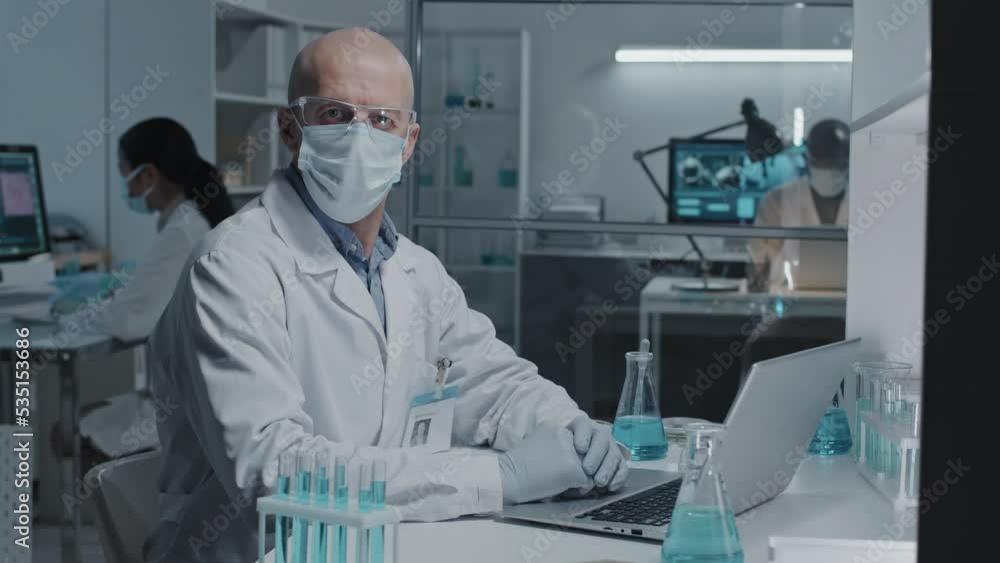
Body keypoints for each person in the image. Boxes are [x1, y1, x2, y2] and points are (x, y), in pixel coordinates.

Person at [145, 28, 628, 563]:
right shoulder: (231, 268)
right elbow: (275, 469)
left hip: (388, 543)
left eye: (381, 120)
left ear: (409, 142)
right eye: (335, 114)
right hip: (263, 552)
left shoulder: (416, 270)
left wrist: (569, 428)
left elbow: (496, 385)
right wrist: (501, 477)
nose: (359, 138)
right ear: (289, 128)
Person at [58, 117, 235, 341]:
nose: (126, 188)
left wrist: (64, 319)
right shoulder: (191, 219)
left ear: (148, 176)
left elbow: (128, 320)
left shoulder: (183, 231)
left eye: (125, 175)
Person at [747, 119, 849, 290]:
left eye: (837, 165)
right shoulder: (777, 200)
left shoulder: (865, 201)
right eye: (822, 164)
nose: (829, 171)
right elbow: (758, 262)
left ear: (849, 163)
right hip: (790, 296)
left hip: (850, 299)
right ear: (808, 159)